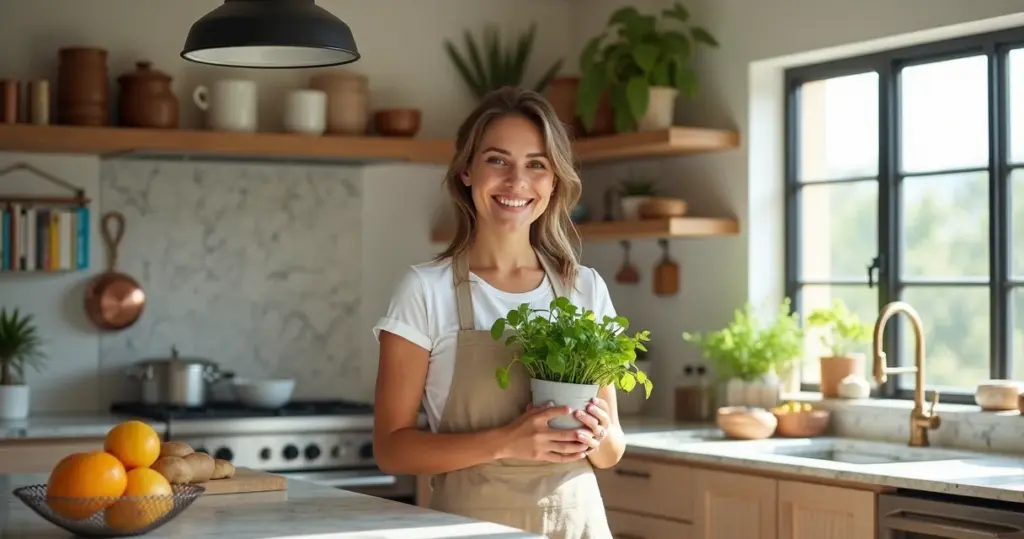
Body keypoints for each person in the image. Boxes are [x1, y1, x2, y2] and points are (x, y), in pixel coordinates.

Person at [371, 86, 622, 539]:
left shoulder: (584, 287)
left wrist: (599, 433)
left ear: (554, 182)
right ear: (467, 171)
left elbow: (611, 453)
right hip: (469, 528)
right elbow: (391, 449)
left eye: (536, 165)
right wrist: (508, 441)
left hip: (577, 524)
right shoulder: (425, 290)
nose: (516, 182)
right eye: (497, 160)